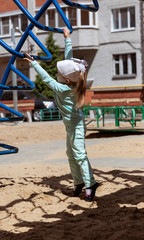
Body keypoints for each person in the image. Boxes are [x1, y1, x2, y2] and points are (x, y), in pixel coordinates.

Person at [23, 28, 98, 202]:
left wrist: (34, 63)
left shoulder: (64, 89)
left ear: (67, 79)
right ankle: (79, 182)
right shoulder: (70, 80)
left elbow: (47, 80)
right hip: (70, 125)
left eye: (59, 73)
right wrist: (67, 39)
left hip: (77, 126)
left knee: (79, 155)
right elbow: (69, 60)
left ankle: (90, 184)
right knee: (70, 154)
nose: (57, 73)